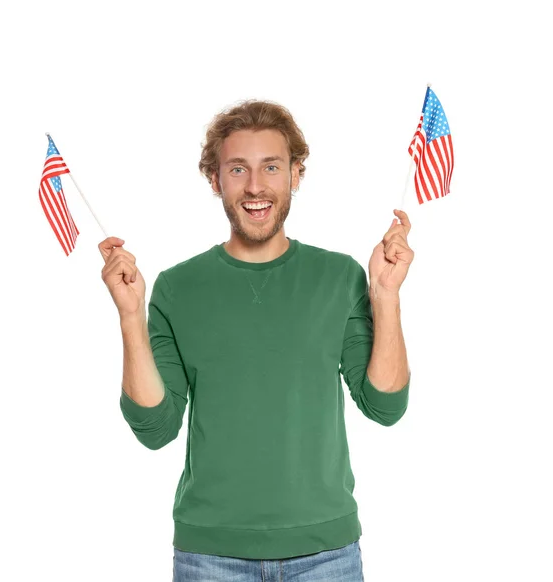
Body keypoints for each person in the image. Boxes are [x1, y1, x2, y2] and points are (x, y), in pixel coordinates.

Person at [99, 99, 414, 582]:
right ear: (215, 180)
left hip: (327, 554)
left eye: (271, 167)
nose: (255, 186)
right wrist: (129, 316)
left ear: (295, 174)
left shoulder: (339, 277)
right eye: (237, 169)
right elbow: (155, 427)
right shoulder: (178, 287)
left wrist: (386, 297)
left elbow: (384, 406)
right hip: (210, 555)